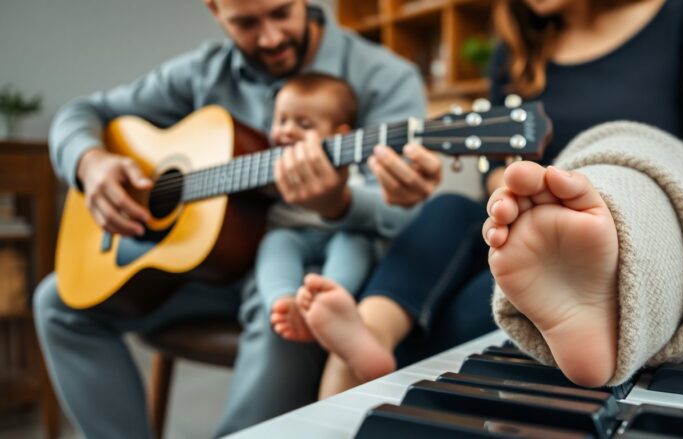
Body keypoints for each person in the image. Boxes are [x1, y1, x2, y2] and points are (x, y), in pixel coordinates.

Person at [275, 0, 683, 397]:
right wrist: (515, 189)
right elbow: (493, 165)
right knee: (449, 208)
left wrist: (610, 186)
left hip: (631, 212)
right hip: (542, 225)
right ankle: (370, 333)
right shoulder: (514, 45)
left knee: (480, 306)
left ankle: (371, 368)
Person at [33, 1, 442, 437]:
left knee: (288, 311)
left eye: (281, 13)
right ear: (214, 9)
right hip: (204, 268)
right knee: (57, 302)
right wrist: (89, 162)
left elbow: (407, 217)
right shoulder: (200, 72)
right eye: (247, 23)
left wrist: (336, 202)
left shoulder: (384, 76)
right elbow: (80, 113)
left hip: (315, 265)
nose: (270, 37)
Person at [259, 72, 376, 340]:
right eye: (282, 120)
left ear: (339, 135)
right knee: (274, 244)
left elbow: (363, 204)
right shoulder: (275, 163)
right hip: (293, 232)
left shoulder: (349, 168)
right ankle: (282, 301)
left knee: (355, 243)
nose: (287, 130)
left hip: (340, 232)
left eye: (303, 123)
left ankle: (330, 301)